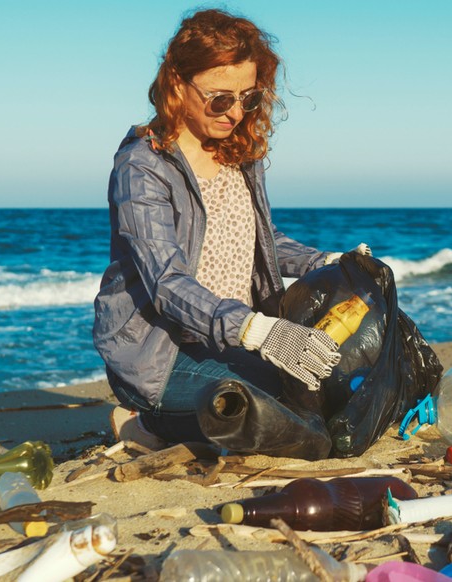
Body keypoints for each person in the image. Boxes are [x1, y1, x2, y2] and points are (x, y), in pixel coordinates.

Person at [93, 9, 369, 450]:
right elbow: (167, 282)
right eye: (221, 98)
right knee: (296, 425)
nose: (236, 113)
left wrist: (330, 262)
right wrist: (260, 332)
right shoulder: (141, 167)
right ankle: (144, 424)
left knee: (331, 393)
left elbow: (261, 241)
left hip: (235, 342)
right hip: (160, 358)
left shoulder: (239, 153)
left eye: (249, 98)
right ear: (177, 84)